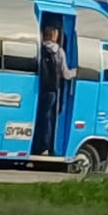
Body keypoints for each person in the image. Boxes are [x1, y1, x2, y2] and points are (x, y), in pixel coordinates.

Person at [34, 26, 73, 156]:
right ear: (54, 35)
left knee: (38, 116)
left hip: (38, 88)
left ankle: (35, 143)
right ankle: (45, 147)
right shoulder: (58, 51)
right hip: (51, 89)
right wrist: (75, 72)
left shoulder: (39, 48)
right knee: (48, 118)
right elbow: (65, 74)